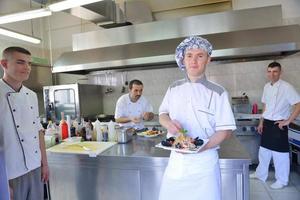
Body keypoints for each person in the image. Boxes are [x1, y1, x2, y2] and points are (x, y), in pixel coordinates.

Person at [158, 36, 236, 200]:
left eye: (200, 55)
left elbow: (225, 131)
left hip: (204, 164)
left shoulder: (218, 92)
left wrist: (200, 148)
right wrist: (169, 124)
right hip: (176, 162)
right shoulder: (173, 88)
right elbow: (162, 114)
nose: (194, 60)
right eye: (189, 55)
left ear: (208, 59)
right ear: (183, 59)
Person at [0, 46, 49, 200]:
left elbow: (38, 131)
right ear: (4, 64)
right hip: (9, 173)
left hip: (34, 168)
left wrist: (44, 164)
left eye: (29, 63)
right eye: (21, 62)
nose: (27, 68)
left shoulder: (31, 95)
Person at [251, 61, 300, 189]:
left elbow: (298, 104)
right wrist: (261, 122)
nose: (272, 74)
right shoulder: (267, 86)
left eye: (275, 71)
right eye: (269, 71)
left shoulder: (286, 87)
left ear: (280, 72)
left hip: (279, 124)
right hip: (267, 123)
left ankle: (282, 180)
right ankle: (261, 174)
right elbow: (265, 105)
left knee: (280, 154)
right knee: (264, 151)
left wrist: (288, 121)